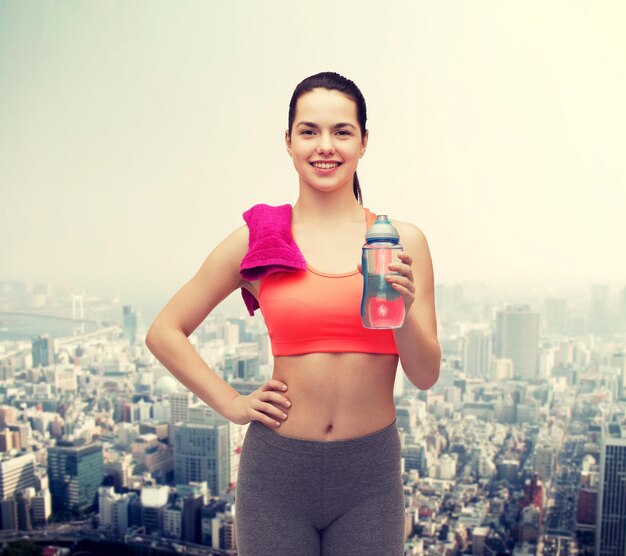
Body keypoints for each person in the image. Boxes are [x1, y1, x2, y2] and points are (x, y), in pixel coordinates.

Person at [145, 71, 440, 556]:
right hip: (276, 474)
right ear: (288, 141)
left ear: (364, 142)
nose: (325, 146)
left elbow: (425, 375)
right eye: (309, 131)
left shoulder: (401, 241)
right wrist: (233, 404)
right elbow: (164, 331)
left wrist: (403, 312)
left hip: (370, 477)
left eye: (342, 131)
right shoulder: (259, 238)